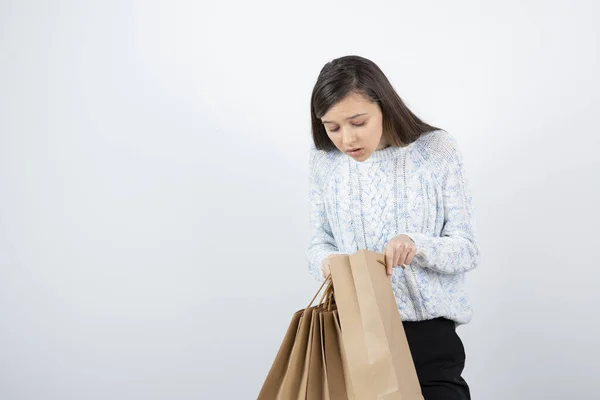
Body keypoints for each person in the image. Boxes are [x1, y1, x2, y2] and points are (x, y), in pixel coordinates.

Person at [306, 55, 480, 400]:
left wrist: (416, 245)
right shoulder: (325, 161)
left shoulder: (435, 150)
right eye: (332, 127)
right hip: (356, 331)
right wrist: (329, 264)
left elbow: (466, 248)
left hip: (428, 335)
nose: (347, 139)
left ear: (384, 106)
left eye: (358, 122)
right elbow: (318, 243)